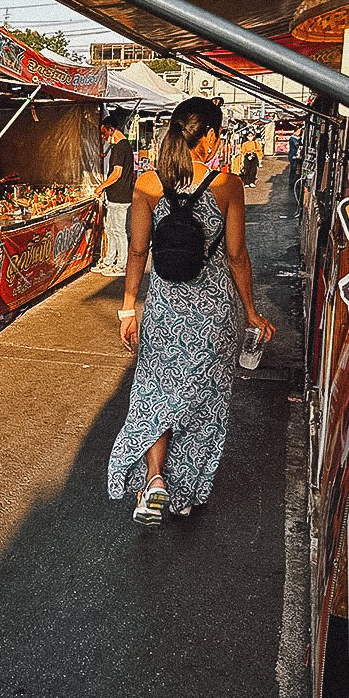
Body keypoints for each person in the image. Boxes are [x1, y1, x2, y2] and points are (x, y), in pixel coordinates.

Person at [108, 96, 275, 526]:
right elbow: (237, 255)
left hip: (165, 310)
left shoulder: (147, 185)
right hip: (214, 314)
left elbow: (138, 252)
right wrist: (252, 312)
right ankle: (184, 492)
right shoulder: (227, 185)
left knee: (156, 397)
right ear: (211, 136)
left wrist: (129, 309)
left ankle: (156, 479)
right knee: (204, 403)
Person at [93, 116, 135, 276]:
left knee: (118, 231)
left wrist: (100, 187)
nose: (104, 137)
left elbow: (116, 174)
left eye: (104, 133)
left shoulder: (119, 148)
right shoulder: (125, 146)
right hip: (117, 196)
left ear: (111, 129)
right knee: (111, 229)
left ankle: (121, 265)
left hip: (120, 197)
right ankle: (109, 261)